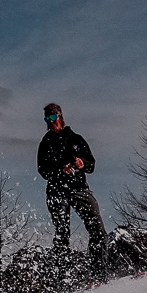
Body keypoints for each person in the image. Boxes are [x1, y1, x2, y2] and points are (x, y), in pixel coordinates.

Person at [37, 102, 107, 273]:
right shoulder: (45, 143)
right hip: (56, 191)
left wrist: (82, 164)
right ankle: (64, 277)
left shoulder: (76, 139)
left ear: (60, 116)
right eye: (47, 118)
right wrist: (60, 170)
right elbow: (42, 170)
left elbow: (91, 165)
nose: (50, 121)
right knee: (62, 233)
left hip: (78, 188)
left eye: (53, 117)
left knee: (97, 229)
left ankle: (99, 272)